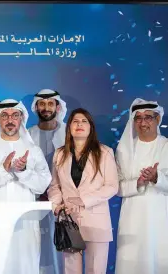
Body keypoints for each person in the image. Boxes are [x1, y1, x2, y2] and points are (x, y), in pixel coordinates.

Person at [0, 99, 52, 274]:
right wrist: (4, 170)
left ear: (21, 118)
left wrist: (23, 171)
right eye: (5, 116)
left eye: (15, 115)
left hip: (26, 223)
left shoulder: (33, 149)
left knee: (25, 266)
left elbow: (42, 184)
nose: (10, 120)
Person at [47, 108, 118, 274]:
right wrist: (56, 204)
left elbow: (112, 186)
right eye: (75, 121)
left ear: (91, 127)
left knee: (96, 269)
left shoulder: (105, 152)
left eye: (84, 121)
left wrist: (84, 200)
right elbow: (54, 186)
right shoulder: (59, 154)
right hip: (68, 222)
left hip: (96, 222)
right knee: (71, 270)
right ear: (69, 127)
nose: (79, 124)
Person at [115, 99, 168, 274]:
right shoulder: (123, 149)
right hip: (132, 217)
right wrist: (136, 183)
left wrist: (156, 178)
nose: (143, 122)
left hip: (160, 217)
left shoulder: (166, 146)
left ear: (158, 119)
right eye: (138, 118)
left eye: (148, 117)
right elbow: (116, 188)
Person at [28, 89, 67, 274]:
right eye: (42, 104)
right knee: (34, 247)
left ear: (57, 107)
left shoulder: (69, 133)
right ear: (36, 107)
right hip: (34, 200)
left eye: (50, 103)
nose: (46, 108)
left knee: (61, 248)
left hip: (63, 202)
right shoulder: (27, 135)